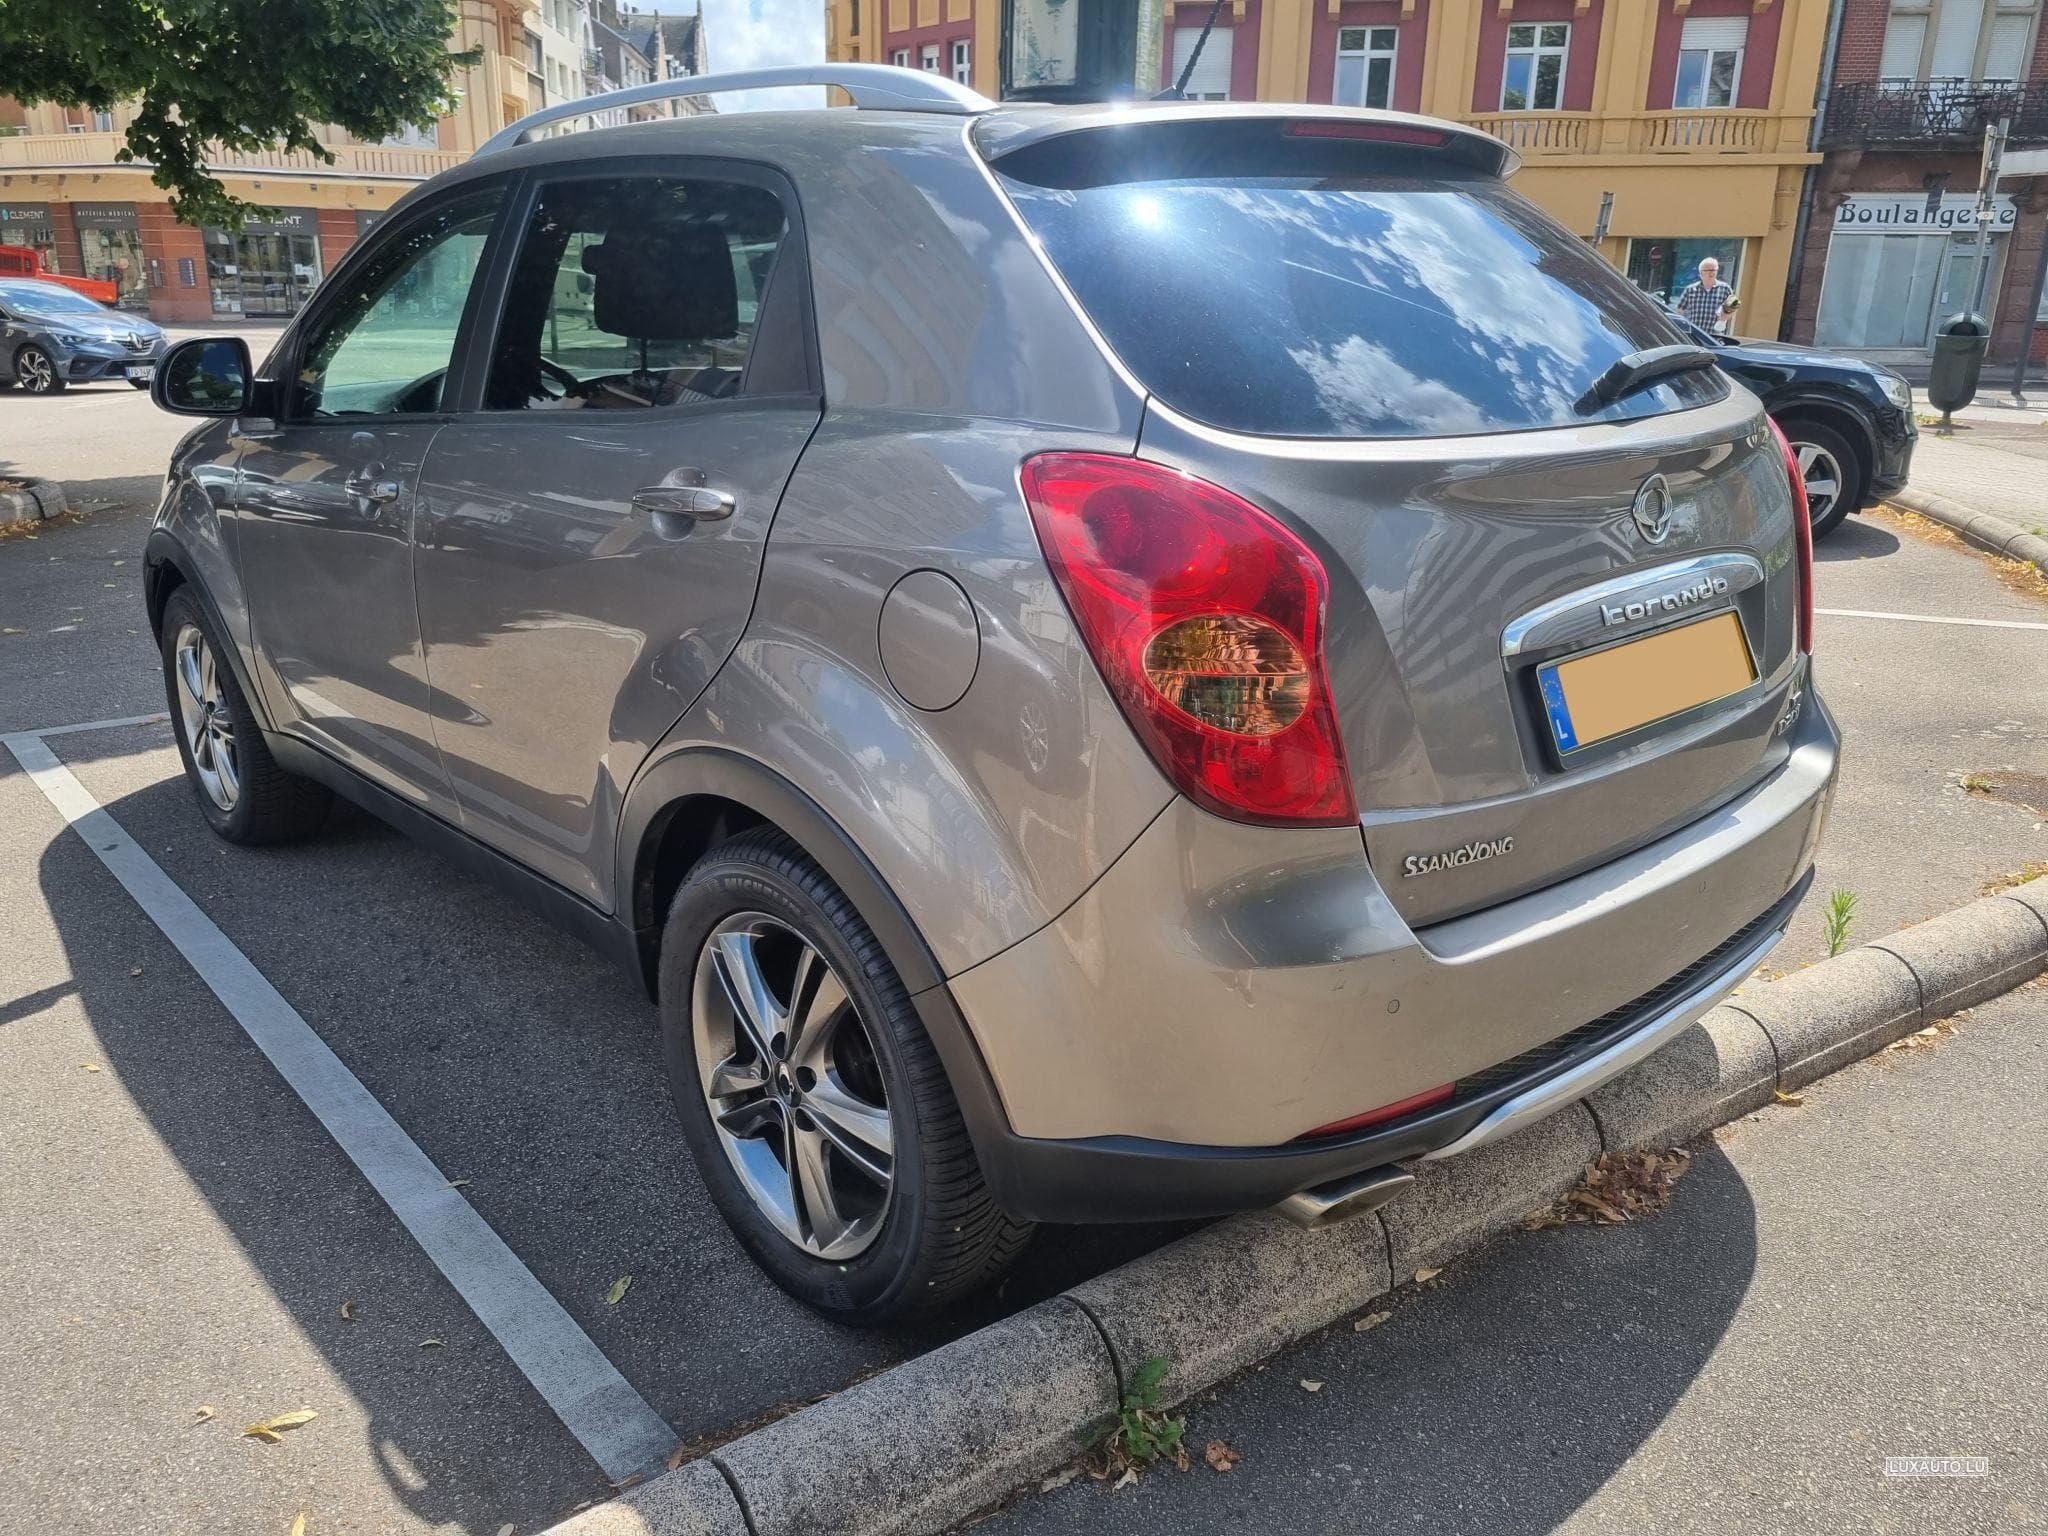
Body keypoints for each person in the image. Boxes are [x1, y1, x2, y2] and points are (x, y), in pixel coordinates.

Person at [1675, 256, 1738, 334]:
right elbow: (1679, 311)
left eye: (1714, 270)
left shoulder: (1725, 289)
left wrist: (1723, 318)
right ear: (1701, 273)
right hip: (1694, 336)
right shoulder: (1690, 289)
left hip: (1715, 337)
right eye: (1709, 270)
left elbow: (1734, 307)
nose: (1712, 272)